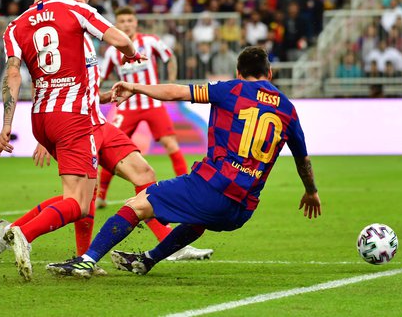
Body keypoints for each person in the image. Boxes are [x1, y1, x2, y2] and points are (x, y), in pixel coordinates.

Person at [0, 0, 212, 268]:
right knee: (81, 201)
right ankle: (43, 243)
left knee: (144, 175)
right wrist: (47, 138)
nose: (82, 1)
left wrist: (102, 97)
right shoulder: (66, 22)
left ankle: (166, 242)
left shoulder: (85, 36)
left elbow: (81, 81)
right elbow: (50, 81)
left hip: (96, 121)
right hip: (74, 123)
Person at [46, 46, 321, 278]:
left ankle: (87, 261)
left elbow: (177, 92)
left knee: (138, 203)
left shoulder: (231, 90)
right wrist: (311, 191)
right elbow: (303, 160)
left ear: (238, 73)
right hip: (242, 210)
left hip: (214, 187)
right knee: (197, 219)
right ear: (269, 74)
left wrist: (136, 86)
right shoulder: (287, 109)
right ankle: (147, 260)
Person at [0, 0, 143, 281]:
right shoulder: (76, 10)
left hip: (40, 119)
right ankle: (23, 233)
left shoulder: (15, 26)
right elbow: (122, 41)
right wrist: (133, 53)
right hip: (74, 117)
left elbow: (13, 76)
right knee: (78, 203)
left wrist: (6, 125)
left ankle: (82, 258)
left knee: (84, 194)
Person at [98, 6, 187, 208]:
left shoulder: (149, 41)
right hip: (127, 106)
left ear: (135, 22)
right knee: (111, 149)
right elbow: (99, 78)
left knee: (170, 144)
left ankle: (187, 188)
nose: (127, 24)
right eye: (123, 21)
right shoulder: (113, 51)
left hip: (153, 103)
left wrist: (170, 84)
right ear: (117, 25)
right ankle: (101, 195)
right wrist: (102, 96)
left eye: (130, 20)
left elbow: (170, 57)